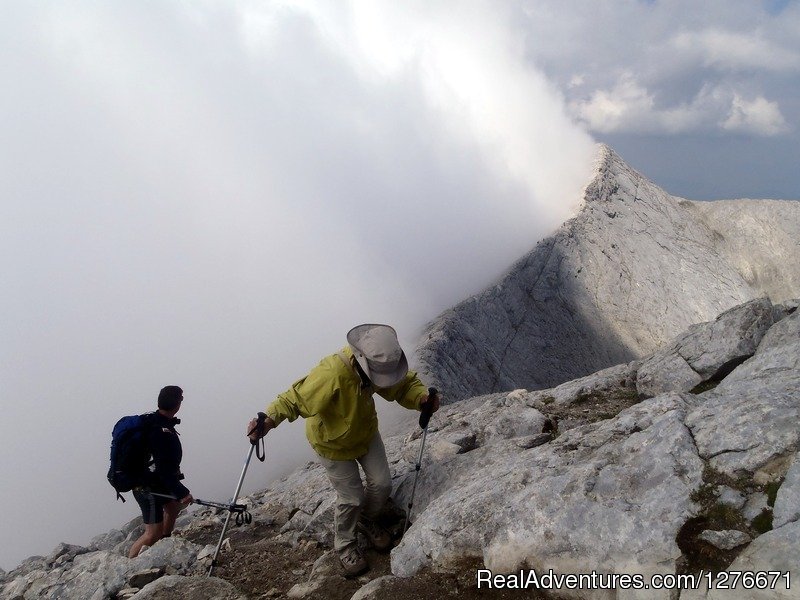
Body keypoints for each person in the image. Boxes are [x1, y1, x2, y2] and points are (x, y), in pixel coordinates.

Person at [247, 324, 440, 575]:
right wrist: (269, 421)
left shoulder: (376, 366)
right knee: (352, 498)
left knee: (382, 484)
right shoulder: (331, 374)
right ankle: (345, 545)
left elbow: (402, 386)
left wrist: (421, 398)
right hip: (332, 444)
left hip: (365, 433)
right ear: (362, 360)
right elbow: (293, 399)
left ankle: (366, 519)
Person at [128, 385, 194, 558]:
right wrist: (182, 492)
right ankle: (129, 567)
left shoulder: (157, 422)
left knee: (172, 509)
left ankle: (163, 545)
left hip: (154, 481)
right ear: (177, 403)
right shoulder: (160, 430)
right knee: (152, 533)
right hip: (146, 487)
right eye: (181, 398)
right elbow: (163, 468)